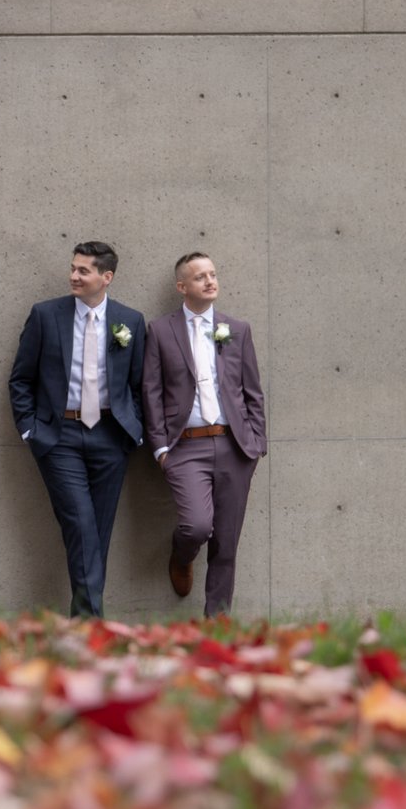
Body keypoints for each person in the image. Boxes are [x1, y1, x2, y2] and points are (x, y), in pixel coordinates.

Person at [9, 241, 145, 618]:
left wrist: (131, 432)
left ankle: (85, 621)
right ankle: (89, 623)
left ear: (107, 277)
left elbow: (138, 385)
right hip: (58, 437)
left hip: (111, 437)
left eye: (83, 270)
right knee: (81, 523)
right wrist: (30, 430)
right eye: (73, 268)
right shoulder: (44, 315)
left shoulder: (130, 321)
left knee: (98, 531)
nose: (73, 276)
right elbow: (20, 379)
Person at [142, 251, 266, 617]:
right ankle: (182, 556)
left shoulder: (237, 329)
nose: (210, 281)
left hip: (235, 447)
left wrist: (256, 443)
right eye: (200, 277)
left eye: (213, 274)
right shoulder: (160, 331)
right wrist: (161, 448)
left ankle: (218, 624)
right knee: (196, 526)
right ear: (182, 287)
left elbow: (252, 391)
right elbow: (150, 391)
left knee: (226, 543)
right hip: (185, 448)